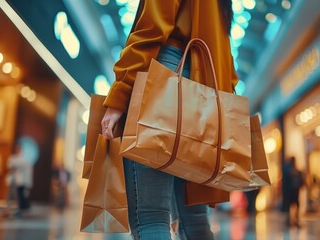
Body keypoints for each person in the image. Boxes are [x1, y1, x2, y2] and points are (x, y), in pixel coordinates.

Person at [101, 0, 237, 239]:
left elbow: (152, 28)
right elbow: (227, 57)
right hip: (203, 89)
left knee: (150, 215)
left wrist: (120, 94)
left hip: (165, 79)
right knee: (194, 221)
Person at [5, 143, 33, 217]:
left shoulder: (23, 159)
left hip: (20, 181)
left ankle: (18, 209)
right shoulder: (12, 158)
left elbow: (25, 170)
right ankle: (8, 210)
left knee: (18, 196)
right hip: (13, 180)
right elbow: (11, 168)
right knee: (10, 195)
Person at [283, 156, 304, 227]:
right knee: (294, 205)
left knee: (293, 205)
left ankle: (294, 220)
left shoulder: (292, 171)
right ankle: (292, 220)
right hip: (293, 191)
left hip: (293, 191)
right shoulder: (293, 171)